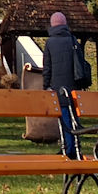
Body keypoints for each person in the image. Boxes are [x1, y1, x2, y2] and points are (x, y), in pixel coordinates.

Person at [42, 12, 78, 157]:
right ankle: (75, 147)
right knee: (74, 118)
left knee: (64, 118)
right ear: (64, 24)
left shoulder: (50, 43)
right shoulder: (73, 40)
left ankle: (68, 149)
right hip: (73, 87)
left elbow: (47, 68)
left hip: (58, 87)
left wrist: (46, 86)